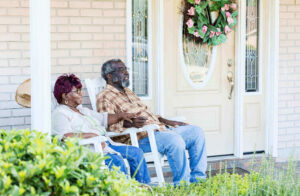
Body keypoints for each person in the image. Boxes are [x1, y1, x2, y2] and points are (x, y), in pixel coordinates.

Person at [97, 59, 207, 185]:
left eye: (126, 69)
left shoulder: (128, 92)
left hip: (160, 129)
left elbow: (148, 114)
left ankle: (198, 181)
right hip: (140, 138)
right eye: (122, 70)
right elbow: (107, 125)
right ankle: (183, 185)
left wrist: (168, 121)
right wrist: (132, 124)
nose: (127, 73)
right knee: (174, 140)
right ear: (109, 76)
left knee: (196, 132)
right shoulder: (104, 96)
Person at [51, 74, 151, 184]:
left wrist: (121, 115)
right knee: (116, 160)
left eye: (81, 90)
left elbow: (104, 119)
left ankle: (143, 189)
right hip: (91, 150)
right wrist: (92, 136)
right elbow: (65, 137)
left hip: (106, 144)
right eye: (77, 91)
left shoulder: (82, 110)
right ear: (65, 95)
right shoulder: (60, 113)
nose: (81, 94)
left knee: (136, 153)